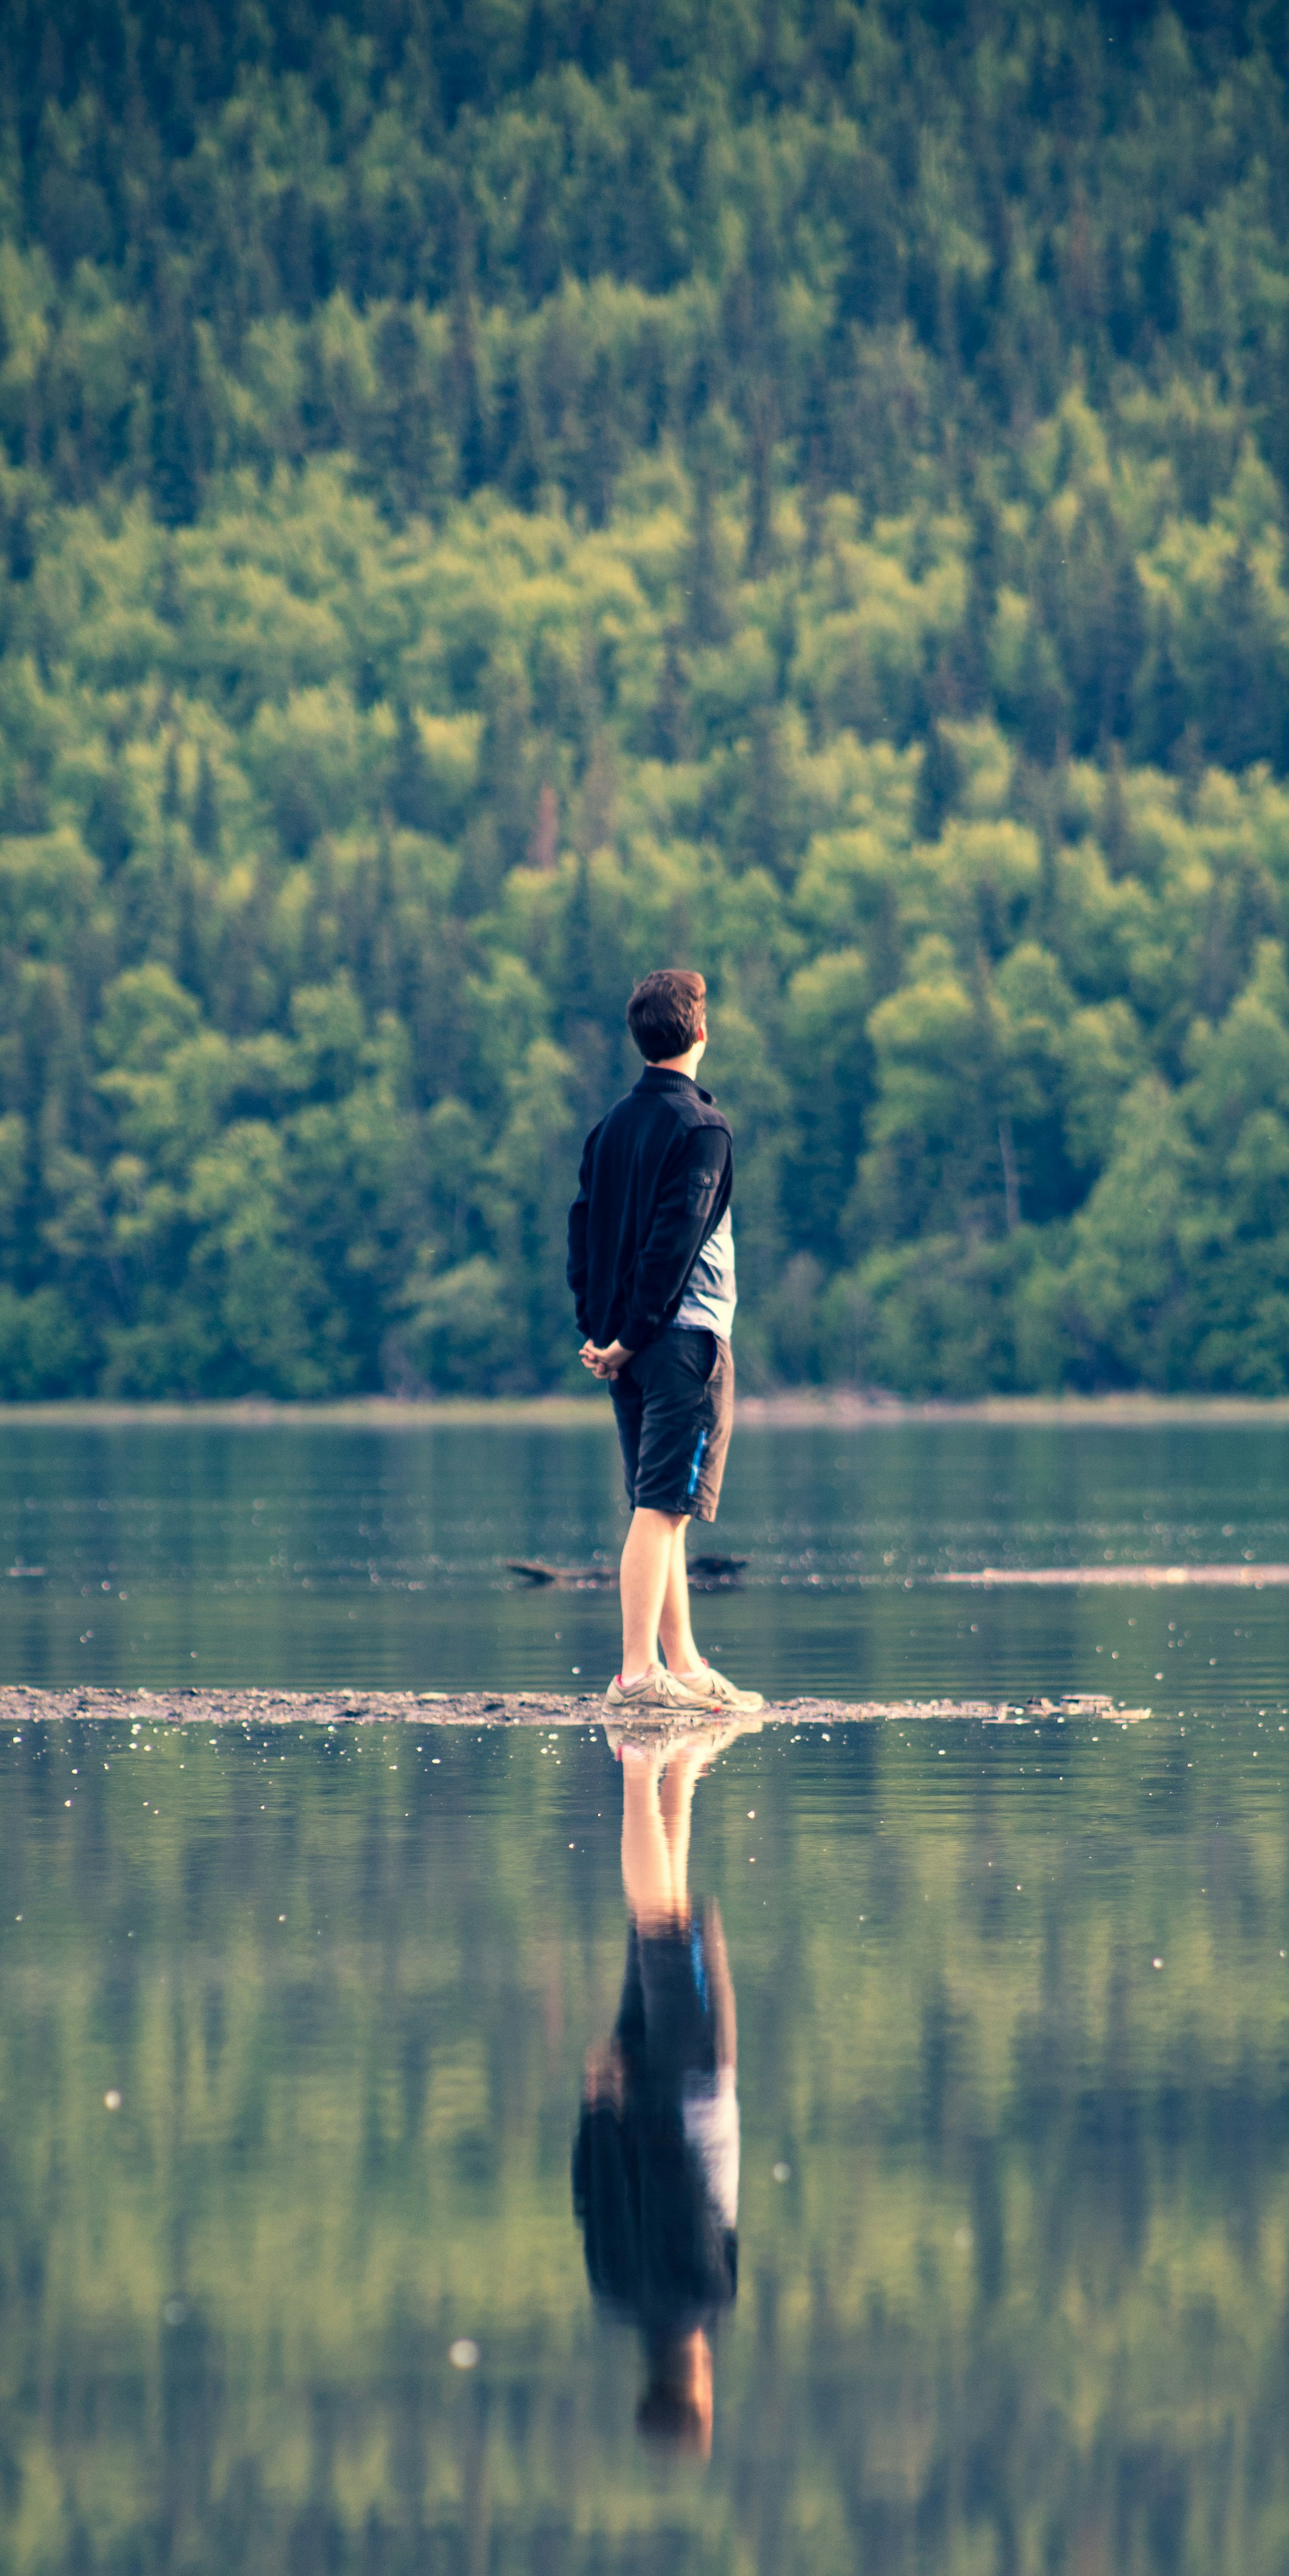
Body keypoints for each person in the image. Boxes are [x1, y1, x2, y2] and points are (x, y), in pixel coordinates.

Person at [567, 966, 762, 1717]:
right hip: (683, 1343)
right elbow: (673, 1243)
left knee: (663, 1505)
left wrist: (603, 1332)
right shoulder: (703, 1129)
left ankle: (680, 1663)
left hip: (632, 1347)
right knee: (662, 1507)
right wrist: (631, 1332)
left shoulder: (610, 1127)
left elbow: (582, 1231)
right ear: (701, 1034)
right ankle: (637, 1674)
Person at [571, 1721, 743, 2457]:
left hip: (684, 2092)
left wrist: (637, 2108)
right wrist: (600, 2110)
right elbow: (588, 2197)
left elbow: (682, 2191)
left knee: (665, 1928)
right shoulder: (612, 2298)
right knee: (663, 1931)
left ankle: (643, 1765)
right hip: (631, 2097)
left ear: (698, 2390)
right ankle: (678, 1764)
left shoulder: (704, 2298)